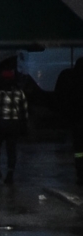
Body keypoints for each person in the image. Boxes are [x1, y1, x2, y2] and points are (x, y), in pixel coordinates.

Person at [0, 69, 29, 184]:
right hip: (13, 124)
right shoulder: (20, 93)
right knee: (11, 150)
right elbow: (24, 111)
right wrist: (24, 125)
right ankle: (10, 174)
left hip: (0, 124)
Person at [54, 57, 83, 185]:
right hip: (76, 118)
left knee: (78, 149)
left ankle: (80, 173)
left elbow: (59, 96)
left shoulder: (68, 76)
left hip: (75, 120)